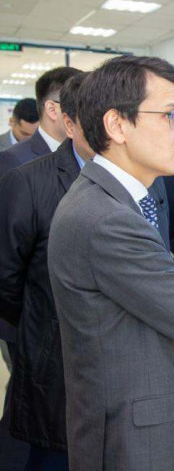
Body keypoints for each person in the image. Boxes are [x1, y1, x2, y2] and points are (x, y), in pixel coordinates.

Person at [46, 55, 174, 471]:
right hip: (134, 436)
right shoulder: (106, 218)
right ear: (117, 125)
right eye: (169, 115)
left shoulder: (122, 198)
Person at [0, 72, 94, 471]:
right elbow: (7, 274)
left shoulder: (138, 178)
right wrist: (37, 319)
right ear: (64, 117)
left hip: (102, 357)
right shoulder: (18, 171)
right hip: (40, 331)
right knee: (40, 436)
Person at [0, 67, 81, 176]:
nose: (88, 113)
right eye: (80, 105)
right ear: (52, 110)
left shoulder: (87, 153)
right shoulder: (14, 161)